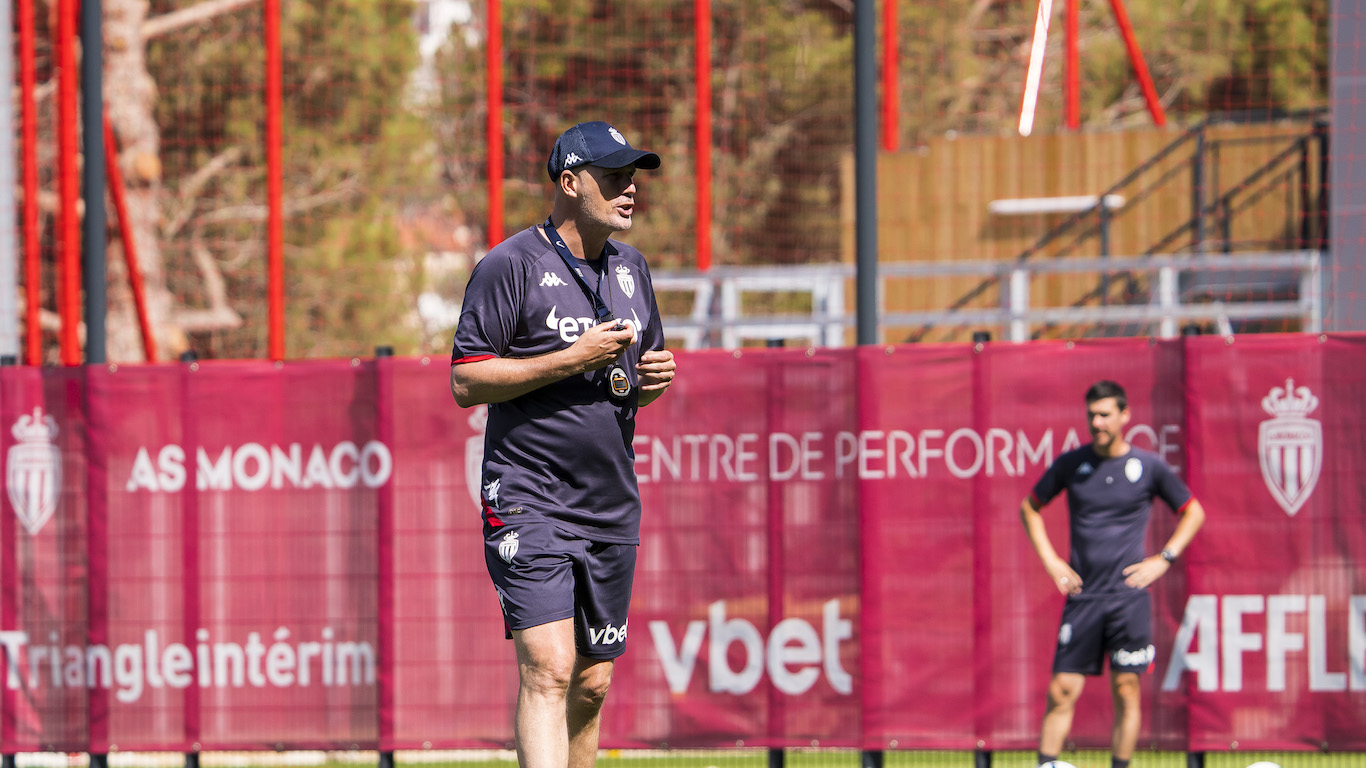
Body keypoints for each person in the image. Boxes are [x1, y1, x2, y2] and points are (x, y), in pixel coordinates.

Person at [449, 121, 676, 768]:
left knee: (591, 682)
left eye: (633, 177)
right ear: (570, 183)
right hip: (530, 496)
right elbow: (466, 380)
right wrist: (573, 357)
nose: (630, 189)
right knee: (548, 666)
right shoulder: (511, 264)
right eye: (614, 177)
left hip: (609, 501)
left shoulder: (633, 269)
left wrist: (651, 382)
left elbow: (624, 386)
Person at [1019, 380, 1205, 768]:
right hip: (1084, 598)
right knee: (1062, 690)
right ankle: (1045, 765)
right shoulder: (1072, 464)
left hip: (1128, 600)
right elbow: (1029, 508)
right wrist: (1052, 561)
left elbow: (1193, 512)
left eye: (1105, 415)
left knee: (1126, 689)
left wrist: (1164, 558)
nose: (1097, 422)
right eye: (1092, 415)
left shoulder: (1148, 467)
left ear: (1125, 416)